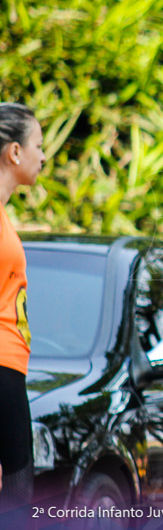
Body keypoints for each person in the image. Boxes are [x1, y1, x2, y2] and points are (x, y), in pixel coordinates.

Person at [0, 103, 45, 523]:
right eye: (38, 145)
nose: (43, 156)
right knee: (16, 501)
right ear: (14, 153)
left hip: (10, 370)